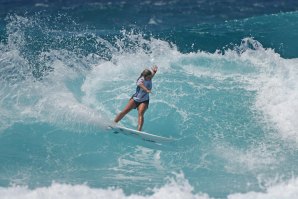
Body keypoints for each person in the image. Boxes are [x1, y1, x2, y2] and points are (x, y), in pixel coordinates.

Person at [114, 66, 158, 131]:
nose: (150, 78)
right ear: (144, 76)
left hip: (144, 100)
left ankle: (139, 131)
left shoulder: (149, 78)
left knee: (141, 113)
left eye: (150, 77)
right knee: (124, 111)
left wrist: (154, 72)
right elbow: (140, 85)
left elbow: (151, 75)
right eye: (148, 77)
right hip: (135, 99)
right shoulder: (141, 79)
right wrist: (146, 90)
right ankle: (113, 123)